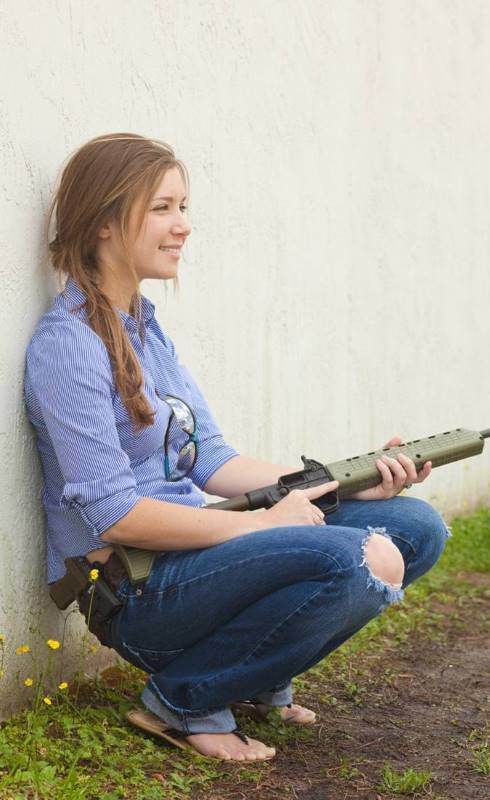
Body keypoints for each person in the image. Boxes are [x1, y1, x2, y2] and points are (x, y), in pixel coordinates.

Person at [24, 133, 449, 762]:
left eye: (183, 207)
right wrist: (260, 525)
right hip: (137, 589)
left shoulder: (144, 330)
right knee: (361, 558)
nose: (184, 226)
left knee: (413, 527)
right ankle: (184, 698)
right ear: (106, 222)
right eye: (163, 208)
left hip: (194, 557)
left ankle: (249, 678)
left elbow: (212, 459)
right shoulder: (70, 345)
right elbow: (115, 516)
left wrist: (349, 482)